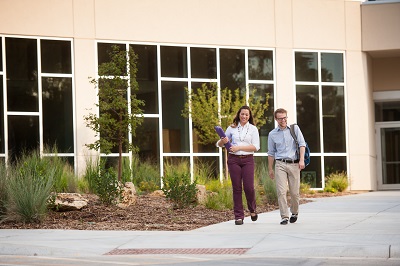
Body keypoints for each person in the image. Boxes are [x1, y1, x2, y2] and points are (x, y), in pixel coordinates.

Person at [217, 105, 260, 225]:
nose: (244, 116)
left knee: (249, 187)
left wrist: (239, 147)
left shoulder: (253, 129)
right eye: (242, 114)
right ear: (239, 115)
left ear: (249, 116)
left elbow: (256, 147)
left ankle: (252, 209)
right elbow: (221, 143)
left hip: (248, 160)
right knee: (236, 188)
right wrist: (223, 141)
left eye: (247, 114)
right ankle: (239, 216)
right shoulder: (232, 128)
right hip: (233, 160)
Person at [267, 108, 306, 225]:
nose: (283, 120)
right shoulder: (272, 134)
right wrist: (270, 169)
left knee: (294, 192)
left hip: (294, 163)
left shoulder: (295, 129)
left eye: (284, 117)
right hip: (280, 164)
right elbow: (271, 153)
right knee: (281, 191)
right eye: (280, 118)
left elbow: (302, 144)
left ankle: (294, 212)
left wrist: (302, 160)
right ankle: (284, 216)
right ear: (276, 119)